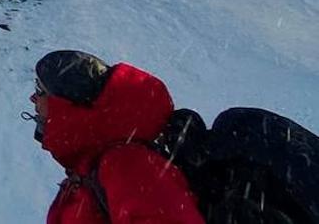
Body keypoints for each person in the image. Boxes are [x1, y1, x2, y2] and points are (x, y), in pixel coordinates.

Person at [30, 49, 204, 224]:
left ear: (67, 103)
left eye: (39, 89)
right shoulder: (89, 168)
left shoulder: (126, 164)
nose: (33, 98)